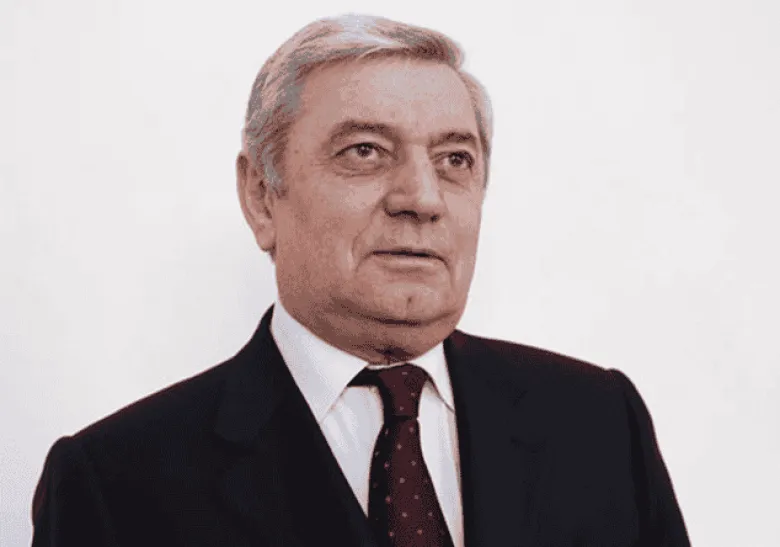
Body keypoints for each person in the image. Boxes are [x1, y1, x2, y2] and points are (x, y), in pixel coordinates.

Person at [31, 13, 691, 547]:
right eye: (365, 151)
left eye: (454, 159)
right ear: (261, 197)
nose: (422, 198)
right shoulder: (115, 483)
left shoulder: (599, 423)